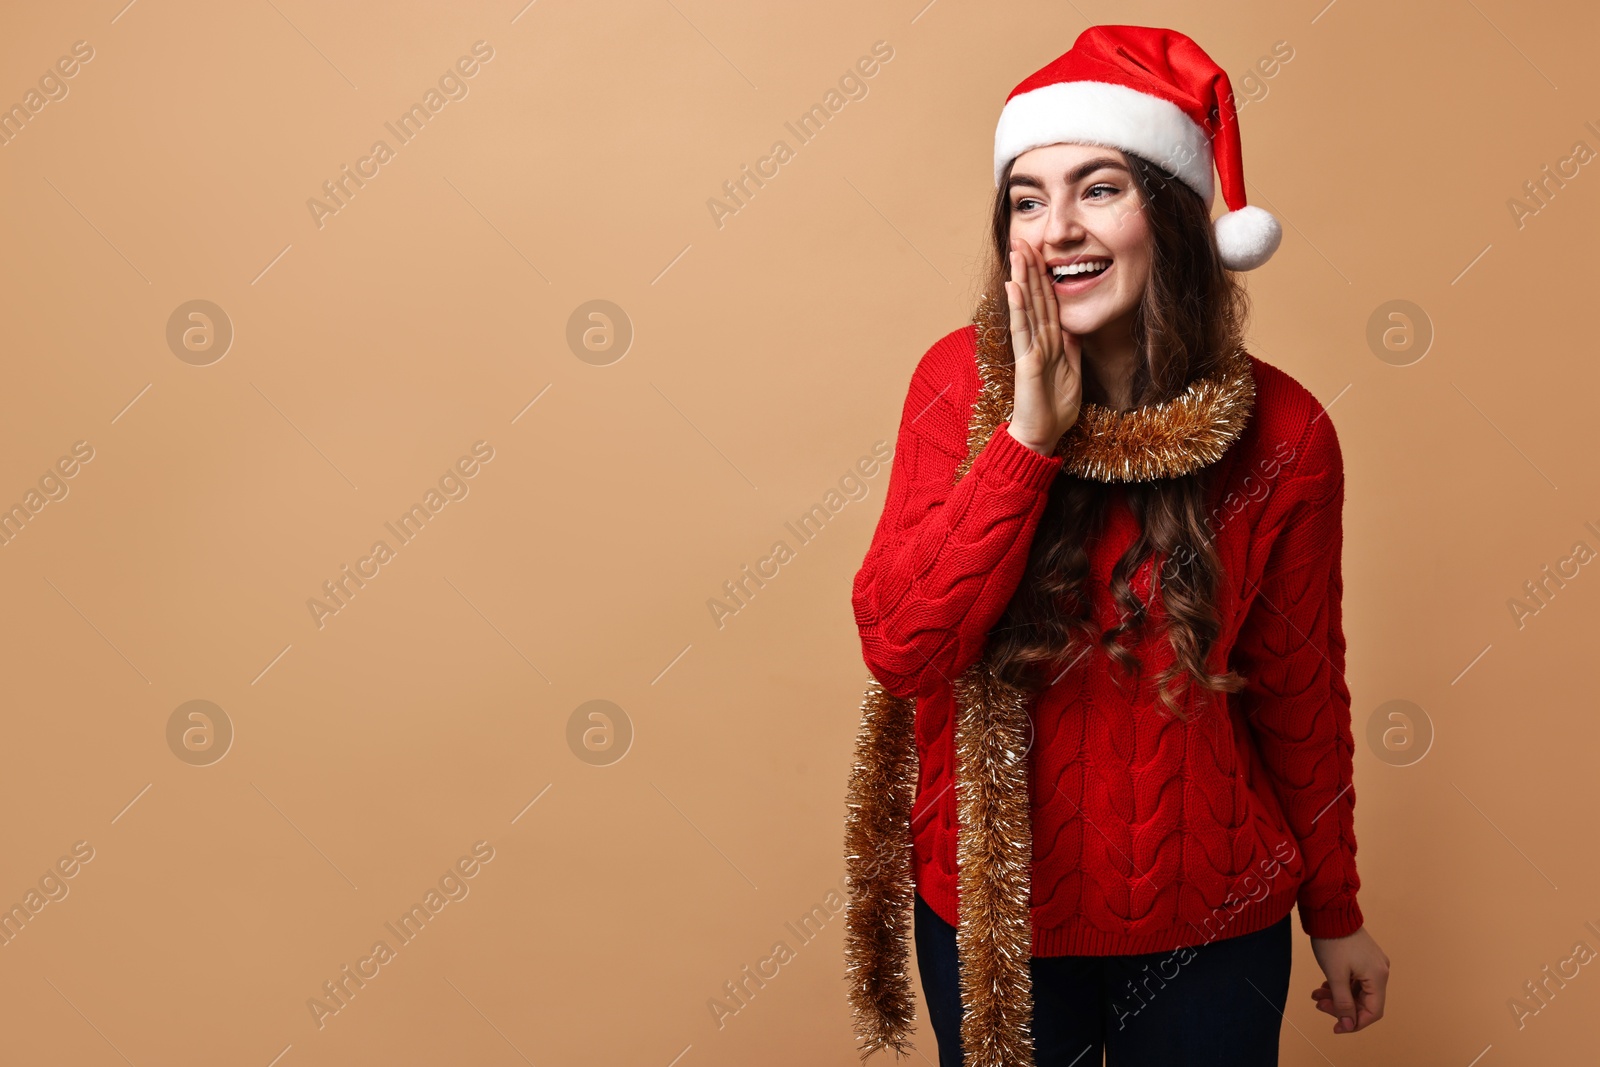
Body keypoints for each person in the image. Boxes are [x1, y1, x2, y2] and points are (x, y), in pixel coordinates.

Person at [842, 25, 1390, 1067]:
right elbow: (903, 644)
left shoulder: (1284, 431)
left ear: (1172, 220)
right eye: (1026, 198)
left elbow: (1297, 686)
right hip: (996, 914)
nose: (1056, 228)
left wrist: (1335, 905)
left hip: (1212, 918)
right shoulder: (958, 389)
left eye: (1098, 189)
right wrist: (1027, 443)